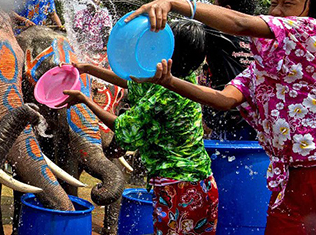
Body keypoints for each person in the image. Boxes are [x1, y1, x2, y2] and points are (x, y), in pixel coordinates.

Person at [126, 0, 316, 234]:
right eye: (274, 3)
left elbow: (241, 24)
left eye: (288, 4)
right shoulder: (263, 69)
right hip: (291, 180)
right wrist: (169, 81)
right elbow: (223, 100)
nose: (276, 11)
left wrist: (174, 3)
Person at [63, 20, 218, 235]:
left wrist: (84, 100)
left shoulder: (166, 95)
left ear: (171, 51)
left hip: (181, 187)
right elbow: (131, 81)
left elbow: (124, 128)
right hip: (195, 182)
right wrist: (87, 69)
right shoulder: (180, 78)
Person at [201, 0, 258, 140]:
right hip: (258, 117)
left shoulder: (213, 32)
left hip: (226, 116)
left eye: (215, 9)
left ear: (225, 11)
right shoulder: (260, 37)